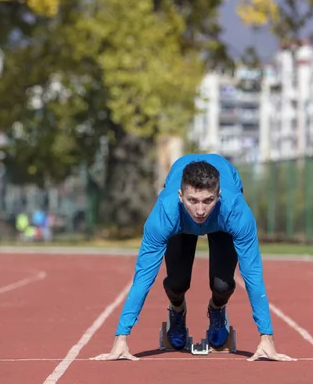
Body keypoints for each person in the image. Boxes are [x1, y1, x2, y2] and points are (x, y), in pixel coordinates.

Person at [95, 153, 295, 362]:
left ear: (219, 196)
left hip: (221, 221)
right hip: (180, 221)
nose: (200, 210)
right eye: (193, 200)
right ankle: (177, 310)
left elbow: (252, 273)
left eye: (208, 200)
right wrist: (121, 336)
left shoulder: (235, 211)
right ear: (180, 196)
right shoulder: (164, 214)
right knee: (176, 283)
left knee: (223, 286)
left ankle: (217, 310)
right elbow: (143, 275)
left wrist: (266, 336)